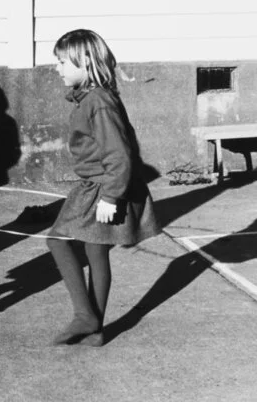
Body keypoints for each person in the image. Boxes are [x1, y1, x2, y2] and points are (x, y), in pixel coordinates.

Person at [47, 29, 160, 346]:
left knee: (58, 240)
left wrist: (111, 197)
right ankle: (95, 329)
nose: (58, 69)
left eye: (62, 62)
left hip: (104, 186)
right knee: (94, 250)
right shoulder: (93, 98)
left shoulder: (98, 102)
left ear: (84, 61)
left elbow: (119, 155)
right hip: (97, 183)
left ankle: (86, 317)